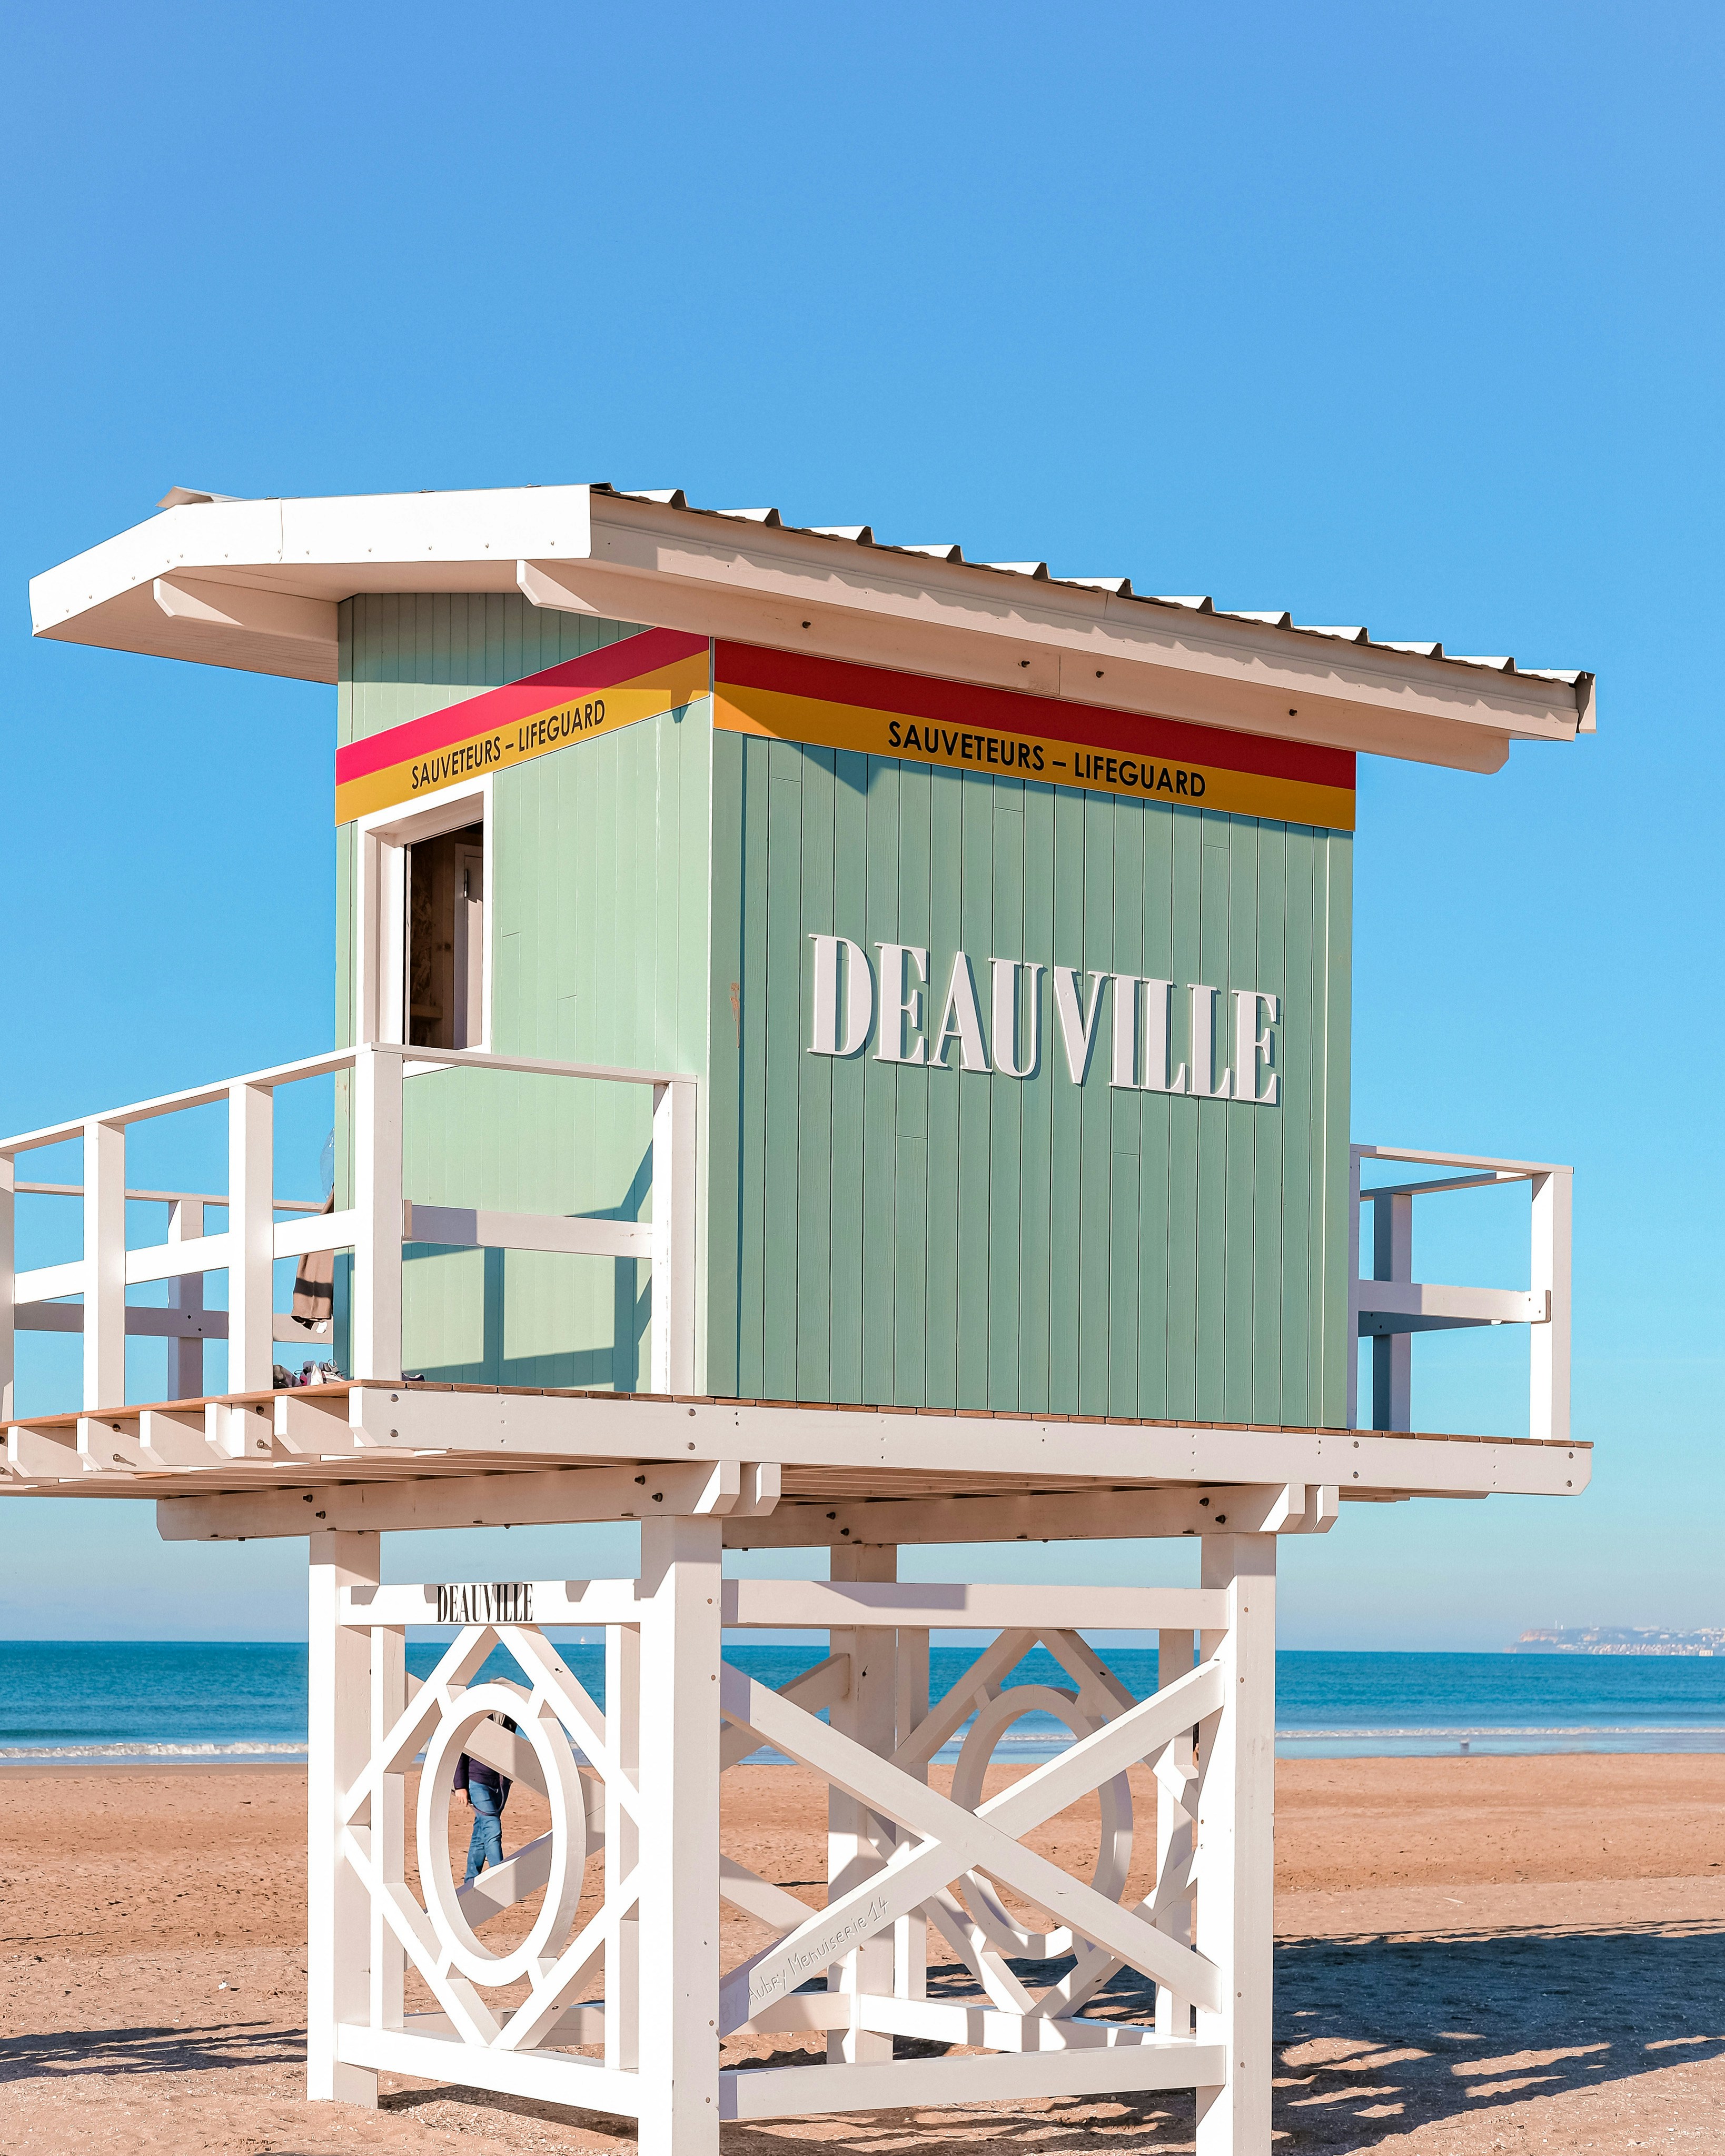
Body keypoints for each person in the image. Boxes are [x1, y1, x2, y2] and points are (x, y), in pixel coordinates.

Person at [454, 1715, 516, 1885]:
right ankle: (500, 1878)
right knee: (493, 1828)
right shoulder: (478, 1717)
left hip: (501, 1783)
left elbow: (512, 1749)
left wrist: (511, 1778)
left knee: (480, 1834)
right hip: (477, 1781)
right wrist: (460, 1786)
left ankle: (471, 1880)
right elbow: (461, 1751)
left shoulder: (512, 1718)